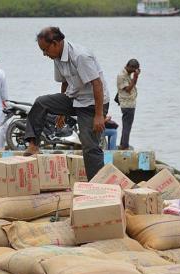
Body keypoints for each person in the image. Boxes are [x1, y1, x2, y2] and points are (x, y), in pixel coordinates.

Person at [25, 27, 109, 180]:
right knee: (41, 103)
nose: (44, 54)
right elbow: (65, 83)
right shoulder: (57, 57)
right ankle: (33, 144)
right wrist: (61, 111)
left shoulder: (80, 56)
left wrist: (99, 115)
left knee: (89, 145)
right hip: (74, 98)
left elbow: (97, 84)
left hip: (93, 103)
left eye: (45, 49)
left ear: (55, 43)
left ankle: (98, 185)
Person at [116, 58, 139, 150]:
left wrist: (134, 77)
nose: (134, 72)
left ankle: (124, 144)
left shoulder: (127, 74)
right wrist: (135, 77)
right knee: (127, 126)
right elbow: (128, 89)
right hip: (127, 104)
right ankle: (124, 145)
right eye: (134, 70)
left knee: (127, 125)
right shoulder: (122, 75)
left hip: (129, 103)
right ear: (129, 67)